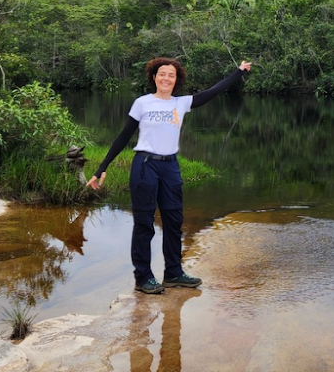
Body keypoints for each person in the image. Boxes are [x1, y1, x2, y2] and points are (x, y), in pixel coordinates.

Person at [87, 57, 251, 294]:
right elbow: (123, 136)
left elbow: (214, 91)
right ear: (154, 77)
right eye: (162, 74)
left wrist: (239, 72)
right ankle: (143, 277)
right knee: (145, 224)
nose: (166, 78)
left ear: (177, 80)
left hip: (170, 166)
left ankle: (174, 273)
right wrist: (102, 166)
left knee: (173, 221)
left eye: (171, 75)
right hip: (145, 165)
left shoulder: (181, 103)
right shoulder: (142, 103)